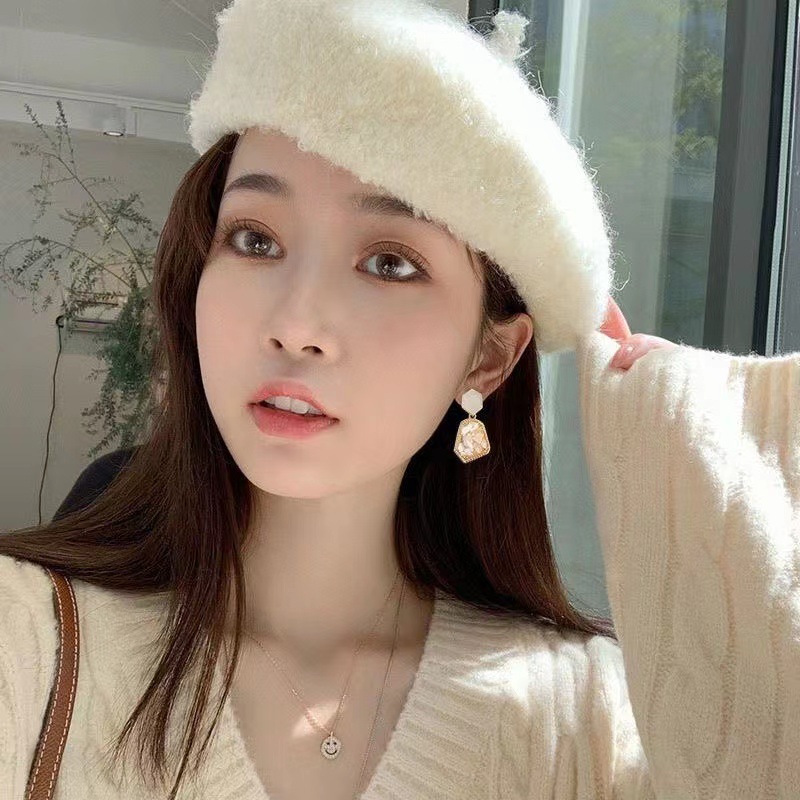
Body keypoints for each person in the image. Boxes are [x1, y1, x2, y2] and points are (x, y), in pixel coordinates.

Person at [1, 2, 797, 799]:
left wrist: (697, 442)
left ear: (489, 358)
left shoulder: (583, 718)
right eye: (255, 240)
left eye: (389, 263)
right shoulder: (24, 643)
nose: (296, 324)